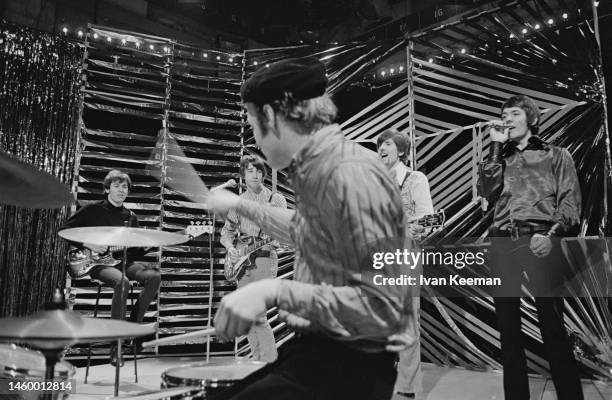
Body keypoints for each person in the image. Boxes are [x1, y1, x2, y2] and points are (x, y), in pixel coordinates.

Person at [206, 56, 415, 400]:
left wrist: (271, 292)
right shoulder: (320, 169)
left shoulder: (350, 173)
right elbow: (309, 230)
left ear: (271, 116)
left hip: (350, 368)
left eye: (252, 125)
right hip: (319, 353)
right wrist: (239, 205)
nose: (255, 139)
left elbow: (385, 305)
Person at [478, 95, 583, 400]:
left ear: (531, 119)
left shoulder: (556, 155)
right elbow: (487, 193)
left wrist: (552, 234)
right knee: (509, 332)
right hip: (502, 241)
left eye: (513, 113)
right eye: (503, 114)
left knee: (552, 329)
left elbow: (570, 201)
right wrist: (495, 147)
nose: (506, 119)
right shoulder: (498, 157)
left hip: (542, 239)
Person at [61, 169, 161, 366]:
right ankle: (115, 346)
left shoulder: (131, 217)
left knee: (154, 276)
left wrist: (147, 246)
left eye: (125, 187)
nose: (121, 190)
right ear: (107, 189)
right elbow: (65, 230)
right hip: (94, 262)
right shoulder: (92, 210)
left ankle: (132, 328)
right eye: (116, 186)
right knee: (121, 282)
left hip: (119, 261)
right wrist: (89, 245)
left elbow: (131, 254)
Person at [377, 129, 434, 399]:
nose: (380, 148)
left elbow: (427, 220)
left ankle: (407, 388)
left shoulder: (414, 179)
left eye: (386, 144)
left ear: (400, 150)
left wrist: (413, 229)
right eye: (378, 145)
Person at [220, 155, 287, 362]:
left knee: (258, 314)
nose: (255, 175)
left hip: (266, 259)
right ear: (243, 174)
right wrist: (231, 248)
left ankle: (269, 363)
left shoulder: (274, 199)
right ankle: (257, 362)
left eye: (258, 171)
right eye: (250, 171)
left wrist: (278, 239)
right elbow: (227, 232)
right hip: (242, 263)